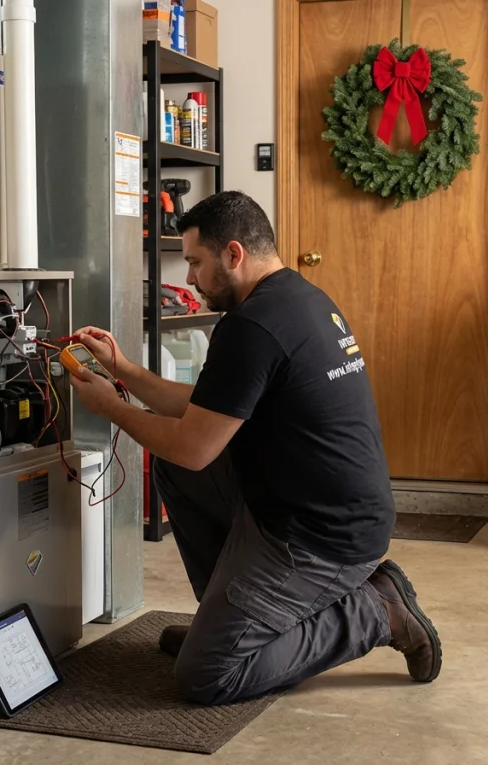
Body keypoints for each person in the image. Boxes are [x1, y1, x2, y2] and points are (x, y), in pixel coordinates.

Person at [68, 190, 441, 705]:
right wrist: (124, 370)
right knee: (178, 474)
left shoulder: (252, 327)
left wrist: (112, 407)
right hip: (311, 508)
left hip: (322, 538)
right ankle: (229, 622)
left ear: (234, 254)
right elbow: (206, 406)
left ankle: (377, 611)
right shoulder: (297, 299)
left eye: (196, 262)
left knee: (206, 676)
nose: (191, 278)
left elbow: (194, 445)